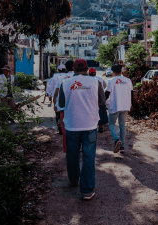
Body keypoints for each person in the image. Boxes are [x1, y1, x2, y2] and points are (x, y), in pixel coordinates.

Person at [58, 59, 106, 200]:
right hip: (90, 124)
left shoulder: (65, 83)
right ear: (87, 68)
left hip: (72, 125)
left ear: (73, 68)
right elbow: (102, 102)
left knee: (72, 154)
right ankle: (87, 190)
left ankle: (73, 179)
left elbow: (61, 104)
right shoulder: (95, 82)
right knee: (88, 157)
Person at [105, 64, 133, 153]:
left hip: (114, 106)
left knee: (111, 123)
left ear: (113, 72)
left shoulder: (111, 81)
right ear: (121, 71)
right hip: (125, 106)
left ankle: (116, 140)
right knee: (122, 125)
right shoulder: (128, 80)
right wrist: (131, 104)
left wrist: (103, 103)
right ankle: (122, 146)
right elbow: (132, 93)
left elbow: (106, 94)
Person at [53, 60, 74, 150]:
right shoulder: (78, 77)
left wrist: (55, 104)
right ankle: (76, 147)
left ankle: (66, 149)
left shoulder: (61, 78)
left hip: (63, 108)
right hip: (75, 107)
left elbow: (56, 93)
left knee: (64, 129)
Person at [88, 68, 108, 133]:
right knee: (100, 113)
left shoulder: (88, 80)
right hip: (99, 99)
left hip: (90, 99)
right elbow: (104, 86)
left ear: (89, 73)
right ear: (95, 73)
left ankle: (91, 127)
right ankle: (100, 127)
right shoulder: (100, 79)